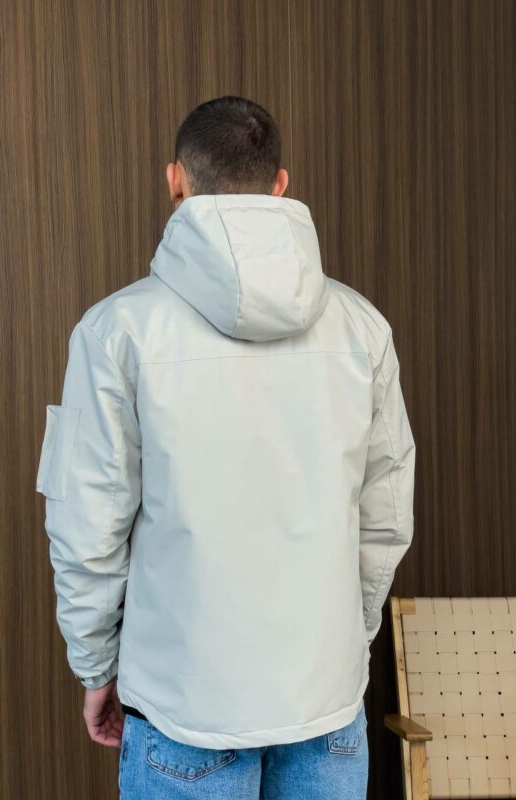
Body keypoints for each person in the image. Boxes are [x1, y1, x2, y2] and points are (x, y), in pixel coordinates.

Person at [36, 95, 416, 799]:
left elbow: (88, 526)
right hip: (326, 705)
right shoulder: (363, 328)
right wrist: (343, 643)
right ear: (281, 184)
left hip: (184, 706)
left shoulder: (115, 332)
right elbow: (387, 517)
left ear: (175, 179)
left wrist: (96, 667)